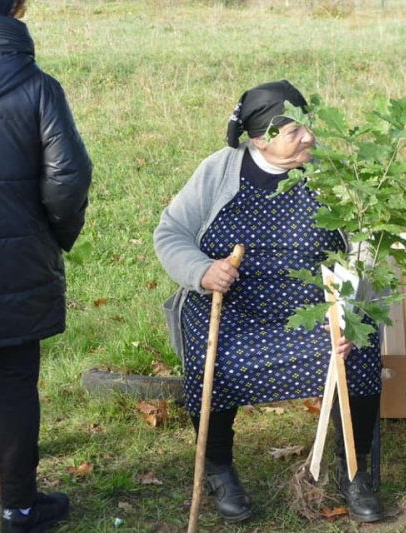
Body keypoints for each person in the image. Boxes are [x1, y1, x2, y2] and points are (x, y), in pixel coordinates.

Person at [154, 80, 384, 524]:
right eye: (294, 131)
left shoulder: (327, 173)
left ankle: (355, 473)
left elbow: (362, 250)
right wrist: (203, 271)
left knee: (360, 351)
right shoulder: (219, 170)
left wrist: (346, 314)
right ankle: (220, 469)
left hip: (311, 305)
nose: (309, 138)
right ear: (261, 138)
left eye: (308, 126)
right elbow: (171, 233)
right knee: (211, 360)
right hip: (233, 306)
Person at [0, 0, 93, 531]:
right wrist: (54, 237)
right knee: (15, 383)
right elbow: (69, 177)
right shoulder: (38, 87)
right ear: (17, 9)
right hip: (13, 263)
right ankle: (19, 506)